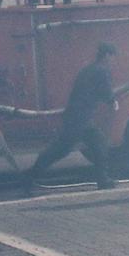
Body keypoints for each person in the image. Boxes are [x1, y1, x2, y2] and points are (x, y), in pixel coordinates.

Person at [24, 43, 118, 193]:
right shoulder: (102, 71)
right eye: (113, 57)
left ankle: (103, 179)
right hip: (81, 117)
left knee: (92, 145)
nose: (114, 61)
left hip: (77, 115)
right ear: (107, 55)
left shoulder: (87, 69)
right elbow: (105, 90)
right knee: (63, 148)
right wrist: (113, 101)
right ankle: (30, 175)